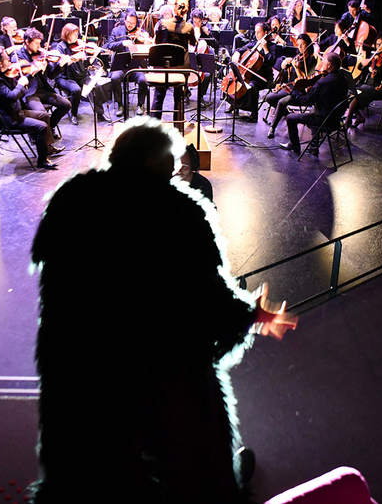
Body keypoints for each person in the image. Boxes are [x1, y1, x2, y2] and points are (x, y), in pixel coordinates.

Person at [30, 117, 295, 504]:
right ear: (155, 162)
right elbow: (207, 299)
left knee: (87, 461)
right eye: (173, 159)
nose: (178, 167)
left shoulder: (72, 201)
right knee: (187, 458)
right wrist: (252, 314)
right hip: (158, 368)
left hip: (79, 362)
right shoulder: (177, 213)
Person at [0, 46, 59, 169]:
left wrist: (29, 74)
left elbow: (19, 90)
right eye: (7, 59)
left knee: (44, 116)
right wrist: (20, 84)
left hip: (16, 112)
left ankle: (47, 149)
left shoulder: (1, 73)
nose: (10, 62)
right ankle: (42, 160)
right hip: (9, 119)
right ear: (0, 63)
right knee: (41, 127)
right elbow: (12, 96)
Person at [279, 51, 349, 156]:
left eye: (323, 62)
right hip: (337, 118)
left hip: (324, 120)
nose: (321, 64)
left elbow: (306, 101)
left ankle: (295, 145)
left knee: (290, 118)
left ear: (329, 65)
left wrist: (291, 92)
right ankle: (313, 147)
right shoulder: (343, 79)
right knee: (314, 110)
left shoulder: (323, 82)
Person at [13, 27, 72, 133]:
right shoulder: (18, 57)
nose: (39, 47)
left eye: (40, 43)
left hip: (44, 90)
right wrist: (33, 71)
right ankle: (40, 134)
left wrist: (60, 65)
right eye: (36, 43)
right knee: (42, 113)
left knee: (66, 104)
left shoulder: (42, 55)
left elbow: (51, 76)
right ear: (27, 42)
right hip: (29, 93)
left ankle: (50, 128)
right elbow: (19, 81)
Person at [265, 34, 317, 139]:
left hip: (301, 92)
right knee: (269, 98)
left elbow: (305, 81)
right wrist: (284, 66)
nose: (300, 47)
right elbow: (287, 74)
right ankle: (287, 114)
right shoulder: (298, 57)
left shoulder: (312, 60)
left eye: (303, 44)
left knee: (281, 102)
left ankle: (273, 128)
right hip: (291, 88)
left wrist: (297, 68)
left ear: (308, 44)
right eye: (299, 45)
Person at [344, 34, 382, 128]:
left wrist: (377, 72)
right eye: (377, 44)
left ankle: (348, 121)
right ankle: (358, 117)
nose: (378, 46)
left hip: (378, 87)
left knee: (356, 93)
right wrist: (363, 63)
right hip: (367, 84)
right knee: (350, 92)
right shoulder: (373, 55)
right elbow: (360, 68)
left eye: (381, 44)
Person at [230, 20, 276, 121]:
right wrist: (237, 52)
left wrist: (265, 49)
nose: (256, 34)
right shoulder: (254, 44)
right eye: (255, 32)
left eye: (259, 32)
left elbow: (271, 61)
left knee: (251, 86)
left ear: (265, 33)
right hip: (251, 75)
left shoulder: (272, 46)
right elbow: (243, 48)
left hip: (264, 78)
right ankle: (234, 104)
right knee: (235, 80)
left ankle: (253, 112)